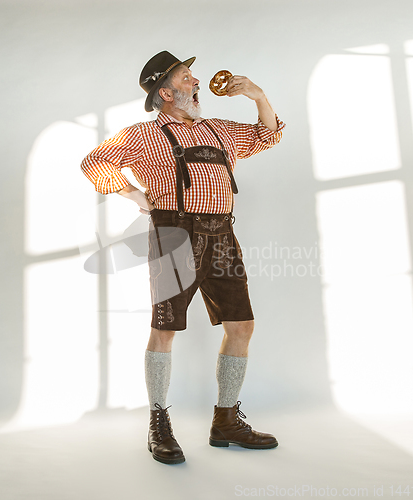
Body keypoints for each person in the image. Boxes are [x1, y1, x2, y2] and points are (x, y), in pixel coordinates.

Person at [80, 51, 285, 465]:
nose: (197, 83)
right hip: (176, 235)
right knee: (165, 328)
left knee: (241, 324)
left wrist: (258, 95)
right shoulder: (142, 135)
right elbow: (94, 162)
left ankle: (226, 420)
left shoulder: (217, 130)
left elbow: (269, 135)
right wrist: (139, 197)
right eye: (188, 78)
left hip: (222, 233)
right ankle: (158, 423)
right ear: (167, 92)